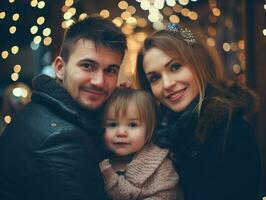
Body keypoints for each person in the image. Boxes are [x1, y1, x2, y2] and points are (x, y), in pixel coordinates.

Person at [0, 16, 127, 200]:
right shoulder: (62, 139)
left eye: (110, 70)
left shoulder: (43, 108)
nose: (99, 82)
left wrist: (123, 103)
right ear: (60, 68)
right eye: (88, 66)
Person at [136, 23, 261, 200]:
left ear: (199, 62)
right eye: (155, 78)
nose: (167, 84)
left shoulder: (232, 132)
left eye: (175, 67)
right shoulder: (161, 133)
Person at [99, 87, 182, 200]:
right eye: (113, 125)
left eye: (132, 125)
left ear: (148, 129)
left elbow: (168, 195)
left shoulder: (160, 164)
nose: (121, 133)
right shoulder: (95, 161)